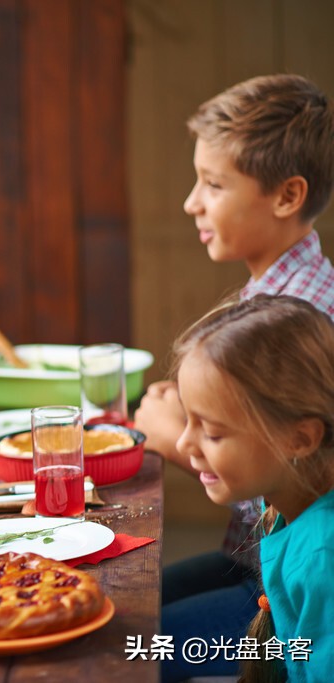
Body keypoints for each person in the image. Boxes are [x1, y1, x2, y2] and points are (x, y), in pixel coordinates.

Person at [132, 74, 334, 682]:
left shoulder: (302, 319)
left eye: (214, 184)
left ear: (286, 195)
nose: (192, 202)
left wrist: (172, 436)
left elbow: (297, 469)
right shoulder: (271, 293)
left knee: (133, 652)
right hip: (260, 562)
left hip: (283, 605)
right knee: (124, 615)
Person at [171, 295, 334, 682]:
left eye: (211, 432)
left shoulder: (321, 557)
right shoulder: (288, 499)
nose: (182, 445)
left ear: (299, 439)